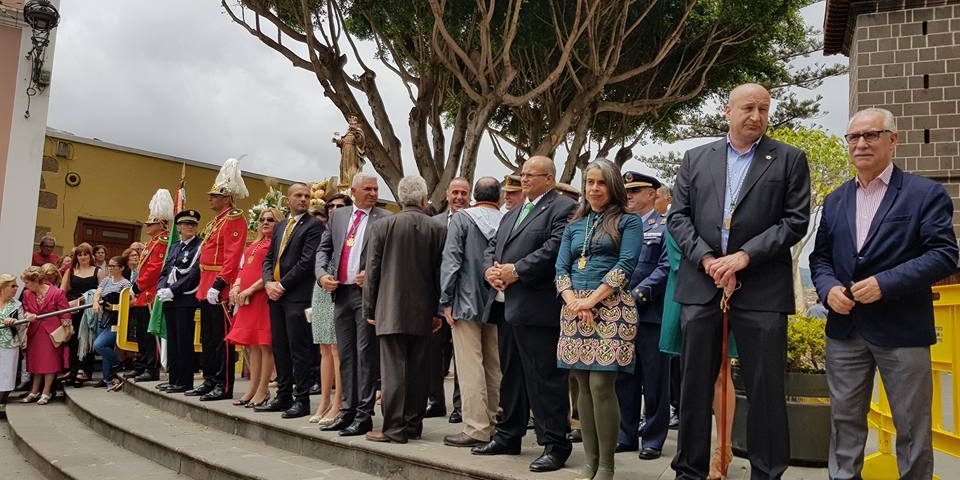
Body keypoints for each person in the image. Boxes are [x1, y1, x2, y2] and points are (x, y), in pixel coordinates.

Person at [667, 83, 811, 480]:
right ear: (727, 110)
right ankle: (690, 471)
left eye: (764, 108)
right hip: (702, 283)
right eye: (748, 107)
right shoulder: (696, 158)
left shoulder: (788, 159)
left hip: (762, 287)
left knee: (765, 389)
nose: (757, 115)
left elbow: (795, 220)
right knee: (694, 385)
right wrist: (709, 259)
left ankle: (766, 472)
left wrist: (744, 257)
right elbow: (678, 217)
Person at [809, 107, 958, 480]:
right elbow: (821, 257)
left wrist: (884, 284)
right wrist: (828, 291)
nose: (861, 143)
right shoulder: (836, 199)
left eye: (871, 135)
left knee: (912, 428)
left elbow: (944, 254)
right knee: (845, 422)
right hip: (844, 329)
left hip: (902, 330)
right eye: (854, 137)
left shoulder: (925, 193)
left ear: (894, 139)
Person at [472, 156, 577, 473]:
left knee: (544, 378)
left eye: (531, 175)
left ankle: (555, 443)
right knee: (512, 374)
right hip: (508, 306)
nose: (524, 179)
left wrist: (517, 270)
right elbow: (495, 248)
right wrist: (492, 270)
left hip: (539, 307)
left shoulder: (562, 208)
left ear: (549, 178)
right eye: (523, 174)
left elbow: (556, 248)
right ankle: (508, 433)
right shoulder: (513, 212)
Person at [554, 160, 642, 480]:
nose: (593, 188)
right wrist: (574, 302)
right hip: (575, 308)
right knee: (581, 385)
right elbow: (560, 269)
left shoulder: (628, 221)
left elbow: (627, 264)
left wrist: (591, 299)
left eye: (601, 183)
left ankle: (606, 464)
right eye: (589, 182)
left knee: (601, 383)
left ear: (612, 186)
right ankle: (588, 461)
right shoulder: (574, 224)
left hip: (613, 307)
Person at [361, 175, 447, 443]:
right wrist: (437, 310)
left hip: (390, 309)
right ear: (423, 200)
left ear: (400, 198)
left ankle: (394, 429)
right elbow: (439, 273)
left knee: (393, 370)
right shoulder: (437, 228)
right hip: (423, 311)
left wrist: (369, 310)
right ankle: (412, 425)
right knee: (419, 370)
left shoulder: (383, 226)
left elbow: (372, 271)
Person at [315, 174, 391, 436]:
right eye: (367, 189)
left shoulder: (385, 218)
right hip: (340, 293)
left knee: (365, 354)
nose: (372, 193)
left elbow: (391, 258)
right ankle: (347, 410)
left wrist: (372, 273)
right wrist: (322, 274)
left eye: (375, 189)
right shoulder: (338, 216)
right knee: (345, 354)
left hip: (365, 295)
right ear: (354, 191)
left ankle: (363, 414)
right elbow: (323, 250)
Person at [439, 177, 504, 447]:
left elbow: (451, 259)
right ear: (498, 197)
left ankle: (476, 428)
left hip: (465, 301)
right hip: (498, 300)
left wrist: (445, 299)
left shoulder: (462, 219)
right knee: (494, 364)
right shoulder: (507, 219)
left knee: (469, 366)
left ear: (474, 195)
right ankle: (496, 420)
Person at [614, 171, 671, 461]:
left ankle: (653, 438)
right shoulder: (621, 228)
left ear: (652, 194)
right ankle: (626, 434)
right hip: (620, 314)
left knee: (655, 380)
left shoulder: (664, 227)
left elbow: (666, 267)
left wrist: (638, 294)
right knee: (625, 378)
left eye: (636, 191)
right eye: (627, 191)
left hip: (650, 314)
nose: (630, 196)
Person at [258, 183, 323, 419]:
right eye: (298, 195)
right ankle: (282, 395)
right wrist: (267, 283)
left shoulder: (313, 226)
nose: (304, 199)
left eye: (306, 196)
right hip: (275, 295)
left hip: (296, 296)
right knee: (280, 347)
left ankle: (302, 399)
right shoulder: (282, 226)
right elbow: (268, 259)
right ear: (288, 200)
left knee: (299, 349)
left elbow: (306, 263)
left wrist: (282, 285)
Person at [191, 158, 249, 401]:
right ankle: (210, 378)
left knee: (221, 339)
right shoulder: (216, 220)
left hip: (219, 285)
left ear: (226, 197)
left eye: (215, 195)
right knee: (208, 337)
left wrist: (220, 283)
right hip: (206, 283)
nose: (210, 199)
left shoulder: (234, 217)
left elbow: (232, 254)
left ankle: (223, 385)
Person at [226, 207, 281, 408]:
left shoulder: (276, 244)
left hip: (261, 297)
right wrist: (237, 286)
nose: (265, 222)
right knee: (252, 345)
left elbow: (272, 272)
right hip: (247, 297)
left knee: (265, 344)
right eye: (262, 219)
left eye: (270, 219)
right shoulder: (255, 243)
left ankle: (263, 388)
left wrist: (250, 289)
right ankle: (253, 386)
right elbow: (243, 268)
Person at [428, 177, 470, 422]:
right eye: (455, 192)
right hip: (435, 299)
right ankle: (435, 401)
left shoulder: (474, 221)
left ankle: (460, 406)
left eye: (464, 193)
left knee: (460, 357)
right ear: (447, 194)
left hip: (462, 300)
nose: (459, 198)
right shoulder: (433, 222)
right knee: (434, 354)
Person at [309, 193, 352, 425]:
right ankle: (324, 401)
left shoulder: (353, 230)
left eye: (340, 206)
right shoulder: (325, 230)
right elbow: (319, 257)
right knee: (324, 347)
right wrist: (322, 275)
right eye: (331, 206)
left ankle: (339, 402)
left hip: (342, 289)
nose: (335, 209)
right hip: (322, 287)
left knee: (337, 348)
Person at [126, 190, 173, 382]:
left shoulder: (162, 242)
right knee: (141, 334)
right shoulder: (152, 242)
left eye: (151, 223)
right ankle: (141, 364)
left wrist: (138, 286)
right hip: (144, 295)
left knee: (150, 333)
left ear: (160, 224)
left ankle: (151, 368)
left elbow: (154, 269)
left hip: (150, 293)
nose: (148, 226)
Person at [156, 210, 202, 394]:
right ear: (179, 227)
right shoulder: (175, 246)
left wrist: (172, 290)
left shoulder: (199, 246)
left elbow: (194, 274)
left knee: (184, 342)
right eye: (186, 224)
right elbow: (165, 270)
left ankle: (185, 381)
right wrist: (161, 288)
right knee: (173, 341)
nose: (190, 227)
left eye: (193, 224)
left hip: (185, 299)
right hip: (169, 299)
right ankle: (174, 379)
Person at [19, 266, 71, 405]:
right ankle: (34, 391)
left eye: (27, 282)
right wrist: (28, 315)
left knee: (49, 363)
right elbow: (26, 309)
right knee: (36, 363)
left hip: (51, 332)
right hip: (35, 331)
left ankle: (46, 392)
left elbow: (64, 312)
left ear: (36, 281)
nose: (26, 286)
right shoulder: (27, 294)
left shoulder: (57, 293)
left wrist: (66, 330)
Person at [60, 242, 103, 387]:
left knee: (87, 339)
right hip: (72, 309)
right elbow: (62, 292)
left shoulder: (98, 271)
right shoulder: (70, 271)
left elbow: (102, 291)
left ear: (90, 256)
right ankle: (73, 369)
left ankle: (84, 370)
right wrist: (64, 307)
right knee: (73, 340)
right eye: (80, 254)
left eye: (85, 254)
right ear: (76, 257)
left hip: (89, 310)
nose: (83, 257)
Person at [91, 256, 134, 389]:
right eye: (109, 265)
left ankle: (118, 363)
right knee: (105, 349)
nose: (110, 268)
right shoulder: (106, 280)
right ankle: (107, 378)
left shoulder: (126, 284)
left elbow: (130, 302)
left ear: (121, 268)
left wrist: (116, 307)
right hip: (103, 318)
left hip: (116, 320)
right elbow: (97, 292)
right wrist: (95, 303)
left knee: (99, 346)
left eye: (113, 266)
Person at [0, 274, 24, 412]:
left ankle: (2, 399)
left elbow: (22, 326)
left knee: (7, 373)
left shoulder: (17, 305)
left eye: (16, 285)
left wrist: (14, 323)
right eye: (13, 286)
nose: (16, 288)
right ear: (3, 288)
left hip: (9, 343)